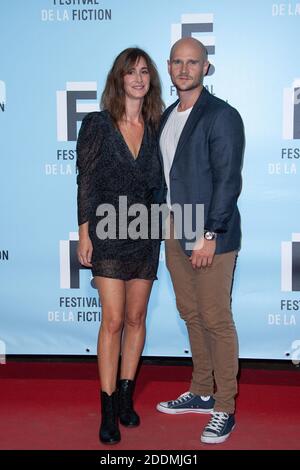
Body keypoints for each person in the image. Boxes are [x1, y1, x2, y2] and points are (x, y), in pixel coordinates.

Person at [156, 37, 244, 444]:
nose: (184, 69)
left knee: (216, 319)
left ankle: (225, 406)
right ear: (169, 67)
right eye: (178, 61)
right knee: (191, 314)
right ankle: (203, 391)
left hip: (210, 234)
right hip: (174, 228)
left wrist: (210, 234)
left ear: (206, 68)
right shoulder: (167, 115)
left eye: (193, 62)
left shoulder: (222, 115)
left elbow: (228, 181)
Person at [76, 47, 164, 445]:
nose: (139, 78)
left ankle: (127, 395)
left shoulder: (158, 125)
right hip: (108, 234)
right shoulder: (97, 124)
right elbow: (87, 181)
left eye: (145, 71)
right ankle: (108, 407)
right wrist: (84, 231)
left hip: (146, 234)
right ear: (119, 78)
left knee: (136, 318)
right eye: (131, 72)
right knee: (112, 321)